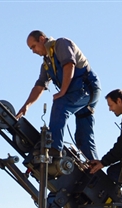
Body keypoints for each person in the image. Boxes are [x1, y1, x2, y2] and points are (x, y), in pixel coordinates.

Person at [15, 31, 100, 160]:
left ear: (42, 39)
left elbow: (69, 65)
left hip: (86, 88)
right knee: (83, 137)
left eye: (33, 46)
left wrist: (62, 92)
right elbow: (39, 86)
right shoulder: (46, 64)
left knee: (60, 105)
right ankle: (96, 171)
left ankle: (54, 149)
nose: (33, 51)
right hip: (76, 94)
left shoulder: (61, 44)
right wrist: (26, 106)